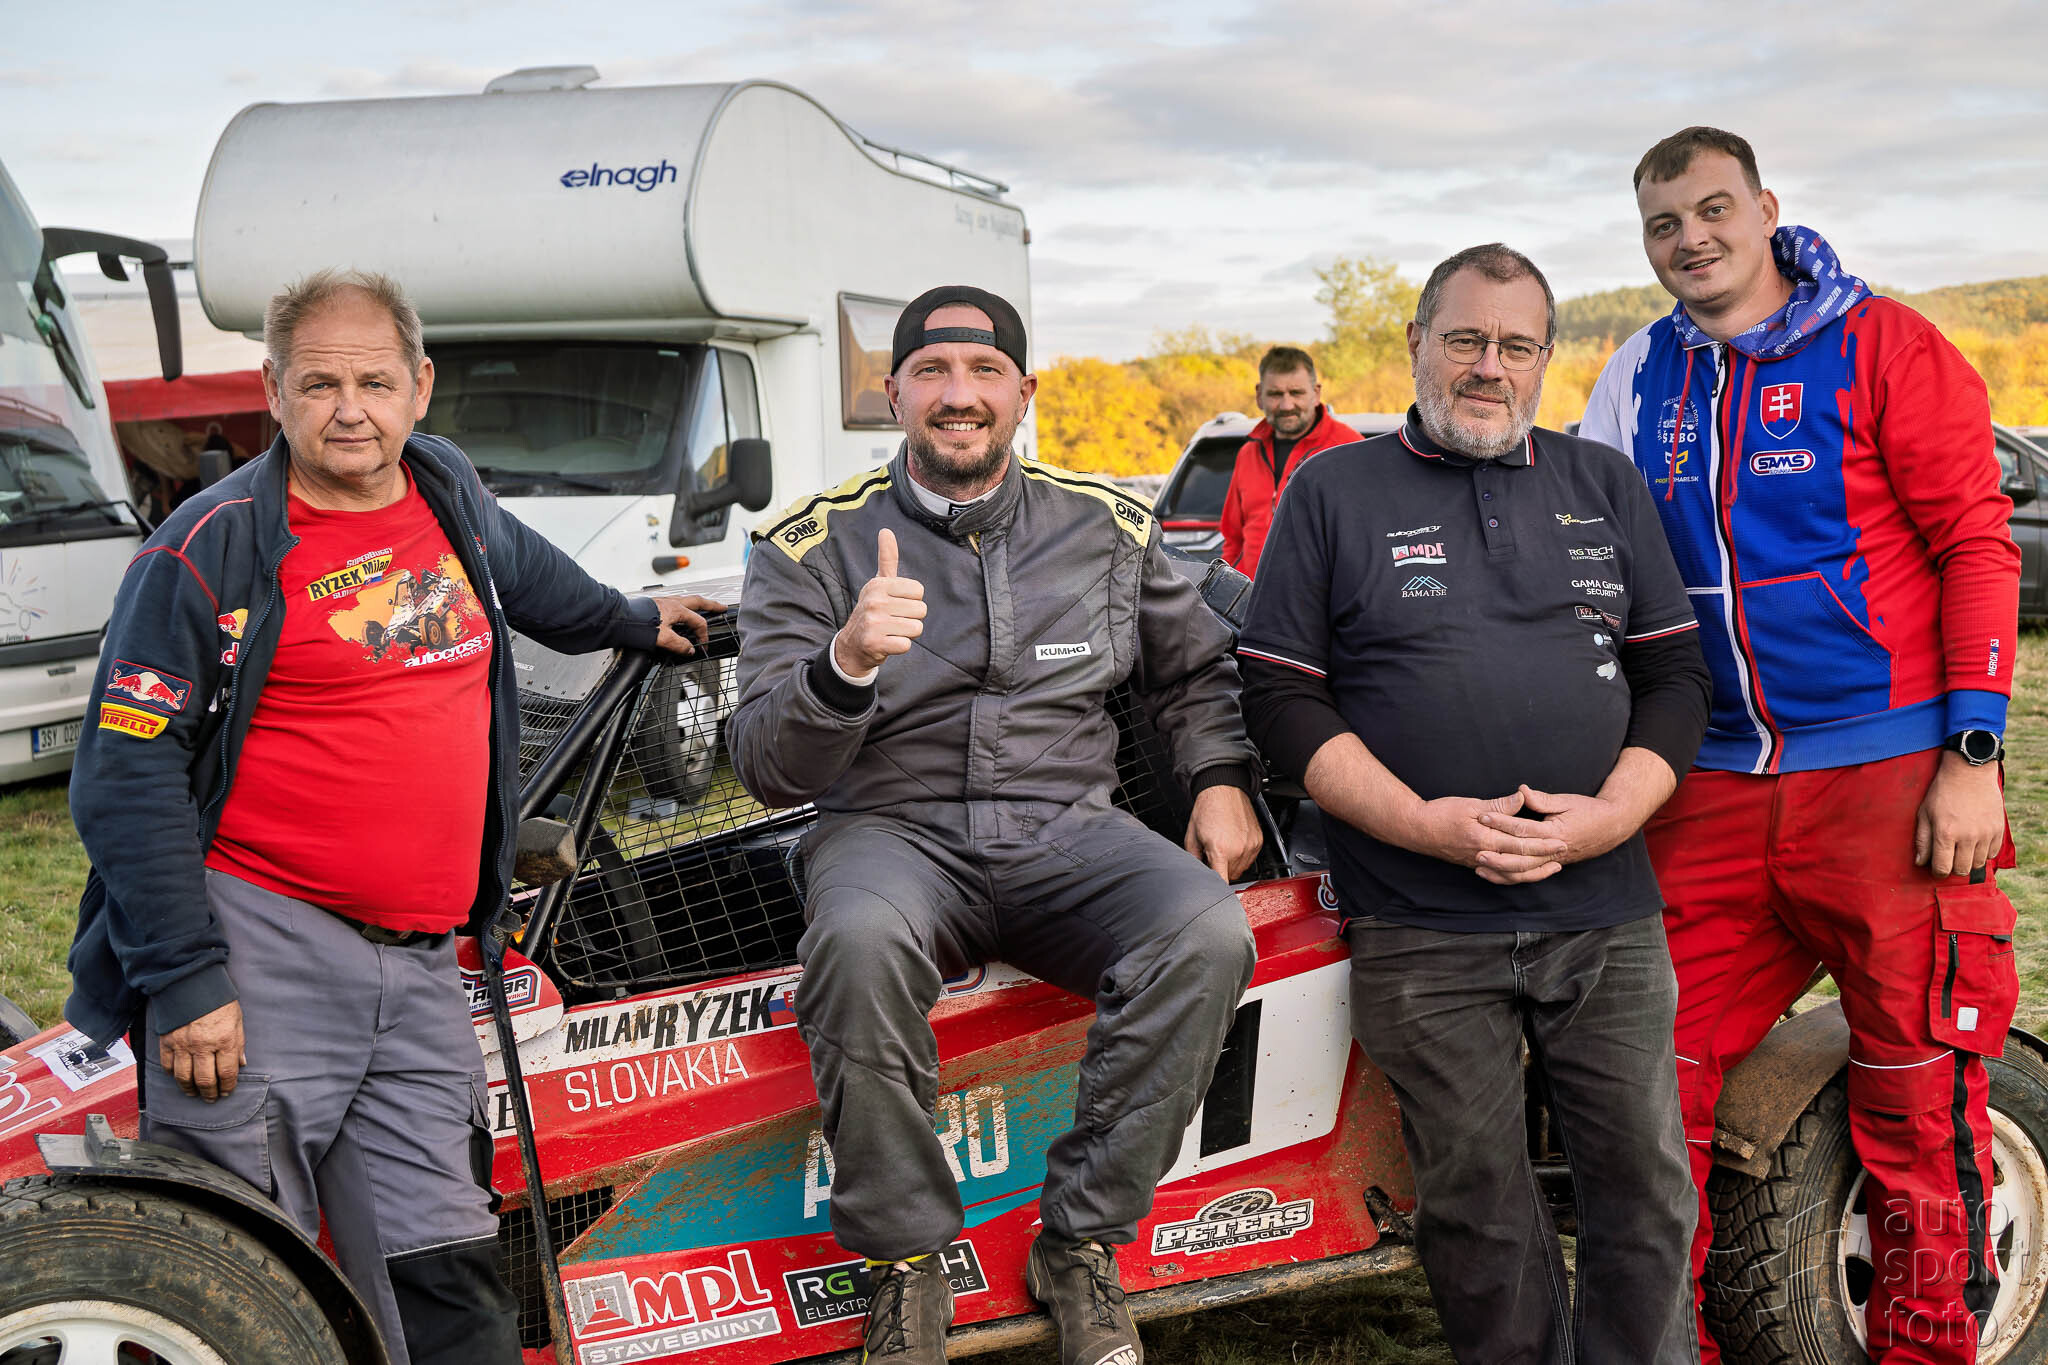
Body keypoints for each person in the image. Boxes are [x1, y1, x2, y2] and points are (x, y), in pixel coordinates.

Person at [64, 269, 719, 1365]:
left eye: (374, 382)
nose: (350, 410)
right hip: (258, 949)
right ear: (273, 392)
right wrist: (185, 978)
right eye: (319, 384)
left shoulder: (444, 487)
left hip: (422, 961)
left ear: (420, 386)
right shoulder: (207, 545)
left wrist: (629, 616)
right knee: (238, 1274)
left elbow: (529, 576)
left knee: (445, 1265)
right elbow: (122, 777)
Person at [729, 284, 1263, 1365]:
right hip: (891, 833)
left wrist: (1217, 777)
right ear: (892, 395)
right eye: (931, 371)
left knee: (1206, 932)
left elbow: (1192, 671)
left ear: (1024, 393)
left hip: (1067, 828)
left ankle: (1080, 1243)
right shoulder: (807, 546)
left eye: (983, 372)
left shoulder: (1107, 524)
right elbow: (765, 767)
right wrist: (845, 663)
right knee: (856, 944)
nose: (957, 394)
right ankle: (906, 1263)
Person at [1580, 126, 2022, 1363]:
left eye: (1711, 210)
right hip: (1709, 777)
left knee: (1915, 1096)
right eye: (1662, 224)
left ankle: (1925, 1348)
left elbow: (1974, 545)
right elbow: (1591, 556)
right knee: (1638, 1083)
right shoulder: (1638, 373)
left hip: (1885, 777)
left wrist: (1970, 753)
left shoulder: (1884, 345)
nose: (1690, 240)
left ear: (1764, 208)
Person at [1239, 244, 1711, 1364]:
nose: (1488, 366)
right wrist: (1421, 825)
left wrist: (1612, 817)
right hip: (1419, 920)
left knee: (1645, 1188)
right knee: (1477, 1210)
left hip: (1602, 910)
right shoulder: (1331, 490)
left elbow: (1676, 678)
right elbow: (1279, 695)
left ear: (1545, 357)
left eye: (1515, 345)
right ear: (1416, 344)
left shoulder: (1603, 484)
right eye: (1464, 338)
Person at [1217, 346, 1361, 576]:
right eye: (1275, 394)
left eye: (1296, 393)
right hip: (1250, 595)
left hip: (1319, 596)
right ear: (1259, 395)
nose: (1286, 405)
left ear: (1316, 393)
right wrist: (1229, 586)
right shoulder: (1248, 453)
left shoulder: (1349, 448)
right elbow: (1233, 538)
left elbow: (1367, 536)